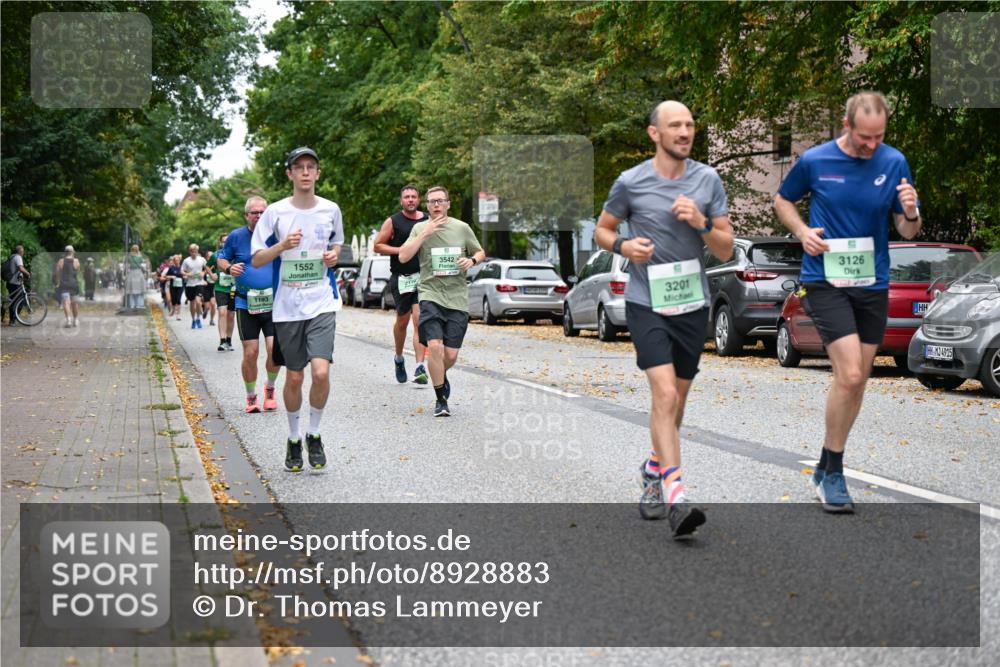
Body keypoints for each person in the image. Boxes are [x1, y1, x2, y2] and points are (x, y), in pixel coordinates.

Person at [774, 91, 921, 514]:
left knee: (858, 378)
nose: (872, 145)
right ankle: (835, 472)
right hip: (825, 278)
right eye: (864, 137)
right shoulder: (817, 161)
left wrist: (910, 212)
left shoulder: (894, 162)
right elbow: (783, 199)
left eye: (879, 137)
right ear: (846, 124)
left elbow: (908, 231)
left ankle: (823, 464)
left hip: (872, 282)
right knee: (852, 372)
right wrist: (803, 232)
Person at [595, 100, 734, 540]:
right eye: (675, 125)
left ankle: (653, 470)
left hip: (691, 302)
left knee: (676, 404)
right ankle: (676, 496)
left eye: (690, 124)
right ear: (654, 133)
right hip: (645, 300)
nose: (684, 131)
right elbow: (602, 229)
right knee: (665, 392)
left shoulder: (707, 180)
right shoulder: (630, 182)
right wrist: (623, 248)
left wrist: (701, 223)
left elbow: (727, 248)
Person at [251, 148, 343, 472]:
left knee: (320, 372)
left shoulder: (331, 209)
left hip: (322, 302)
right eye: (299, 167)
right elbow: (257, 258)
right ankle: (293, 438)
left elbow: (337, 244)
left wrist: (333, 256)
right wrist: (281, 246)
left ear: (318, 173)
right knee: (294, 377)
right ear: (289, 174)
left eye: (311, 167)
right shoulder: (275, 212)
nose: (305, 172)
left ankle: (313, 433)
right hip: (287, 308)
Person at [398, 186, 485, 417]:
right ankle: (440, 399)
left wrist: (472, 260)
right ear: (427, 205)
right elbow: (404, 256)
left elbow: (480, 252)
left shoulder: (462, 228)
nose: (436, 205)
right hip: (430, 295)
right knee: (434, 346)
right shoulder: (419, 228)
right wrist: (425, 233)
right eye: (432, 201)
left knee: (450, 355)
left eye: (440, 201)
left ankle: (440, 375)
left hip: (457, 298)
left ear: (448, 204)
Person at [219, 197, 281, 413]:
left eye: (263, 212)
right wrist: (229, 269)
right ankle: (251, 396)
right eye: (254, 212)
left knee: (275, 350)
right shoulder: (236, 237)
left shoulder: (276, 236)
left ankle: (270, 389)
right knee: (250, 353)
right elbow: (221, 259)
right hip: (246, 304)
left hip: (274, 304)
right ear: (247, 215)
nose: (259, 216)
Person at [373, 184, 430, 384]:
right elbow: (377, 245)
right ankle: (398, 357)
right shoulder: (393, 221)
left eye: (414, 196)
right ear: (401, 201)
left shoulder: (427, 220)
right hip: (401, 277)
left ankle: (420, 367)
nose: (411, 200)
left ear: (419, 200)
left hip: (423, 277)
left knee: (419, 319)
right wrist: (401, 251)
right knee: (402, 321)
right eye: (407, 197)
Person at [206, 234, 236, 350]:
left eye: (227, 241)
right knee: (222, 312)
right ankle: (222, 341)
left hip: (233, 288)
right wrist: (212, 274)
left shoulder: (236, 254)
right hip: (220, 288)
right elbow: (207, 266)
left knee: (231, 315)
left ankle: (229, 340)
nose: (225, 243)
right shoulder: (216, 255)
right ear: (220, 243)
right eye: (223, 241)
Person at [181, 243, 207, 329]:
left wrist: (203, 273)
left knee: (198, 302)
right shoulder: (186, 261)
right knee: (192, 303)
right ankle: (193, 320)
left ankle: (198, 318)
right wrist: (188, 274)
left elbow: (208, 268)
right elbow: (182, 271)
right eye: (192, 252)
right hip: (189, 285)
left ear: (197, 251)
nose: (194, 253)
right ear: (189, 252)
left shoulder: (202, 259)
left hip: (199, 283)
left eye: (195, 251)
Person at [3, 245, 31, 325]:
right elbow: (20, 268)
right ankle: (13, 320)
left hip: (11, 282)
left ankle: (13, 319)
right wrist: (28, 273)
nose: (23, 252)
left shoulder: (12, 257)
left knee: (14, 301)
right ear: (19, 251)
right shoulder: (18, 257)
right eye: (22, 251)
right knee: (17, 302)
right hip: (14, 283)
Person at [55, 245, 82, 327]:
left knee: (66, 303)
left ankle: (69, 321)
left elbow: (57, 274)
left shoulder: (60, 261)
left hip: (64, 285)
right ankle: (76, 320)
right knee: (75, 303)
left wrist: (57, 282)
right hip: (74, 284)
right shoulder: (76, 261)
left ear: (65, 252)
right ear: (73, 252)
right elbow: (78, 272)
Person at [125, 245, 148, 309]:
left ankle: (132, 304)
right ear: (138, 249)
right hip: (138, 272)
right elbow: (141, 261)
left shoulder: (129, 256)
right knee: (140, 289)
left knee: (131, 289)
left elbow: (128, 263)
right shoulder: (139, 256)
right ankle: (139, 304)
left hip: (132, 273)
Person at [161, 255, 183, 320]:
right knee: (173, 300)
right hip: (172, 286)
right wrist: (171, 277)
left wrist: (186, 276)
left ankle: (178, 315)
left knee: (178, 299)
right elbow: (165, 276)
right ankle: (173, 310)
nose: (177, 261)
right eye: (175, 260)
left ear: (179, 260)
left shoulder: (182, 268)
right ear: (174, 261)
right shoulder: (171, 268)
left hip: (180, 286)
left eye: (178, 260)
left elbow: (185, 275)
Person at [202, 249, 217, 325]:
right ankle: (205, 311)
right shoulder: (204, 266)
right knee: (207, 306)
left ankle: (211, 320)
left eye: (212, 256)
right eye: (209, 256)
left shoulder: (216, 266)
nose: (211, 258)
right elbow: (201, 275)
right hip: (206, 288)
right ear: (206, 257)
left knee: (213, 304)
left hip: (213, 287)